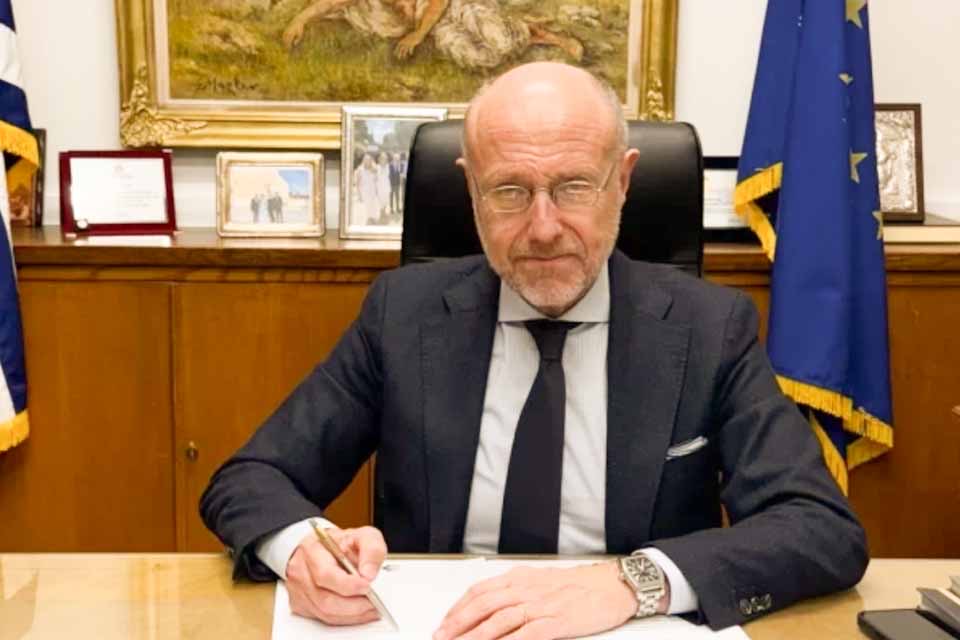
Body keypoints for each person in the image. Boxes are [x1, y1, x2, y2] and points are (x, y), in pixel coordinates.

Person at [201, 62, 867, 637]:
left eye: (574, 187)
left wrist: (635, 581)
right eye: (510, 192)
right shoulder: (403, 315)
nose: (544, 228)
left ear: (623, 181)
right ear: (471, 190)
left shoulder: (708, 328)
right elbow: (251, 479)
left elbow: (819, 526)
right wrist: (301, 550)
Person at [281, 0, 583, 70]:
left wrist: (417, 35)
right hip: (438, 29)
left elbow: (439, 2)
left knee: (500, 41)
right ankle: (525, 34)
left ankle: (543, 35)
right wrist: (300, 19)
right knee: (481, 57)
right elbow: (332, 2)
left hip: (456, 7)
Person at [353, 153, 380, 225]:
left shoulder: (374, 169)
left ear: (371, 161)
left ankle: (372, 218)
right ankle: (368, 219)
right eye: (366, 160)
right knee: (367, 206)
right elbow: (357, 183)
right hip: (364, 190)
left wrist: (375, 172)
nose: (367, 161)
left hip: (372, 190)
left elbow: (376, 180)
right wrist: (359, 194)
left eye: (369, 160)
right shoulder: (360, 169)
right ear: (363, 160)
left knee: (373, 205)